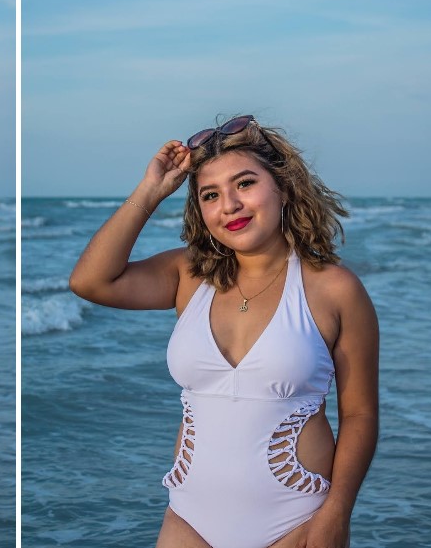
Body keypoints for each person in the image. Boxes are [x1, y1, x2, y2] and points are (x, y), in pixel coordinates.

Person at [69, 115, 378, 548]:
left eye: (245, 184)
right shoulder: (188, 275)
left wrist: (337, 513)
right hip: (188, 518)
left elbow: (360, 414)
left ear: (284, 188)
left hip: (295, 520)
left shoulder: (334, 289)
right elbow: (90, 282)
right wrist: (151, 191)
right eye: (210, 195)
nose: (228, 205)